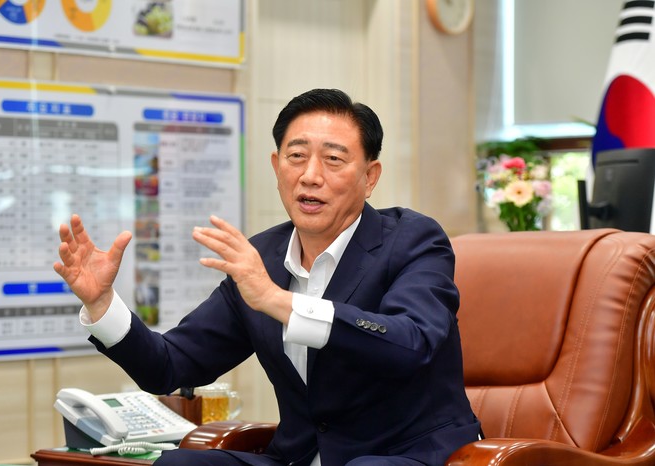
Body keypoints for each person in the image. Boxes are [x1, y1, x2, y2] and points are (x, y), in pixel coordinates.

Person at [54, 88, 481, 466]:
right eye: (297, 157)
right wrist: (102, 304)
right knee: (180, 463)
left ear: (369, 177)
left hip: (405, 455)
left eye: (333, 159)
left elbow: (411, 344)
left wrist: (278, 301)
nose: (310, 175)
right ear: (277, 167)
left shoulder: (412, 239)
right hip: (297, 457)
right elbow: (170, 366)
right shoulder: (262, 258)